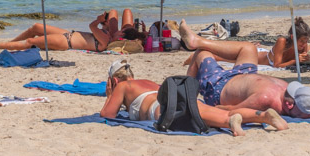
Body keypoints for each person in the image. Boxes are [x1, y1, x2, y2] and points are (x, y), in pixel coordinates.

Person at [101, 60, 288, 135]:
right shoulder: (146, 82)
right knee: (214, 110)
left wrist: (110, 95)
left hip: (160, 109)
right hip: (175, 97)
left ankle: (231, 122)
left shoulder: (123, 86)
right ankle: (262, 116)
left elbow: (107, 115)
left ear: (115, 79)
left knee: (220, 116)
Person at [185, 46, 310, 119]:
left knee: (201, 53)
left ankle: (186, 95)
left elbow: (233, 110)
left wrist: (206, 109)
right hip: (242, 76)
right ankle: (198, 41)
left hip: (218, 87)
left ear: (289, 104)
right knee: (249, 48)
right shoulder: (288, 89)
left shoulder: (265, 100)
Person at [0, 9, 142, 53]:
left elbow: (91, 27)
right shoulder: (108, 35)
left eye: (120, 32)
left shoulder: (107, 40)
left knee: (31, 42)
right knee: (36, 27)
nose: (117, 30)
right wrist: (106, 21)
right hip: (67, 33)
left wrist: (100, 20)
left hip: (66, 42)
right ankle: (11, 43)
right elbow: (113, 12)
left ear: (121, 37)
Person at [178, 18, 310, 69]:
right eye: (301, 41)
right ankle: (196, 48)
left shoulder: (303, 44)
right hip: (258, 56)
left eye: (306, 41)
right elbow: (277, 65)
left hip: (257, 54)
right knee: (224, 56)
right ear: (293, 37)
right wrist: (296, 60)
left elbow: (299, 59)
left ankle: (198, 48)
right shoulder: (282, 41)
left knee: (224, 57)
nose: (303, 44)